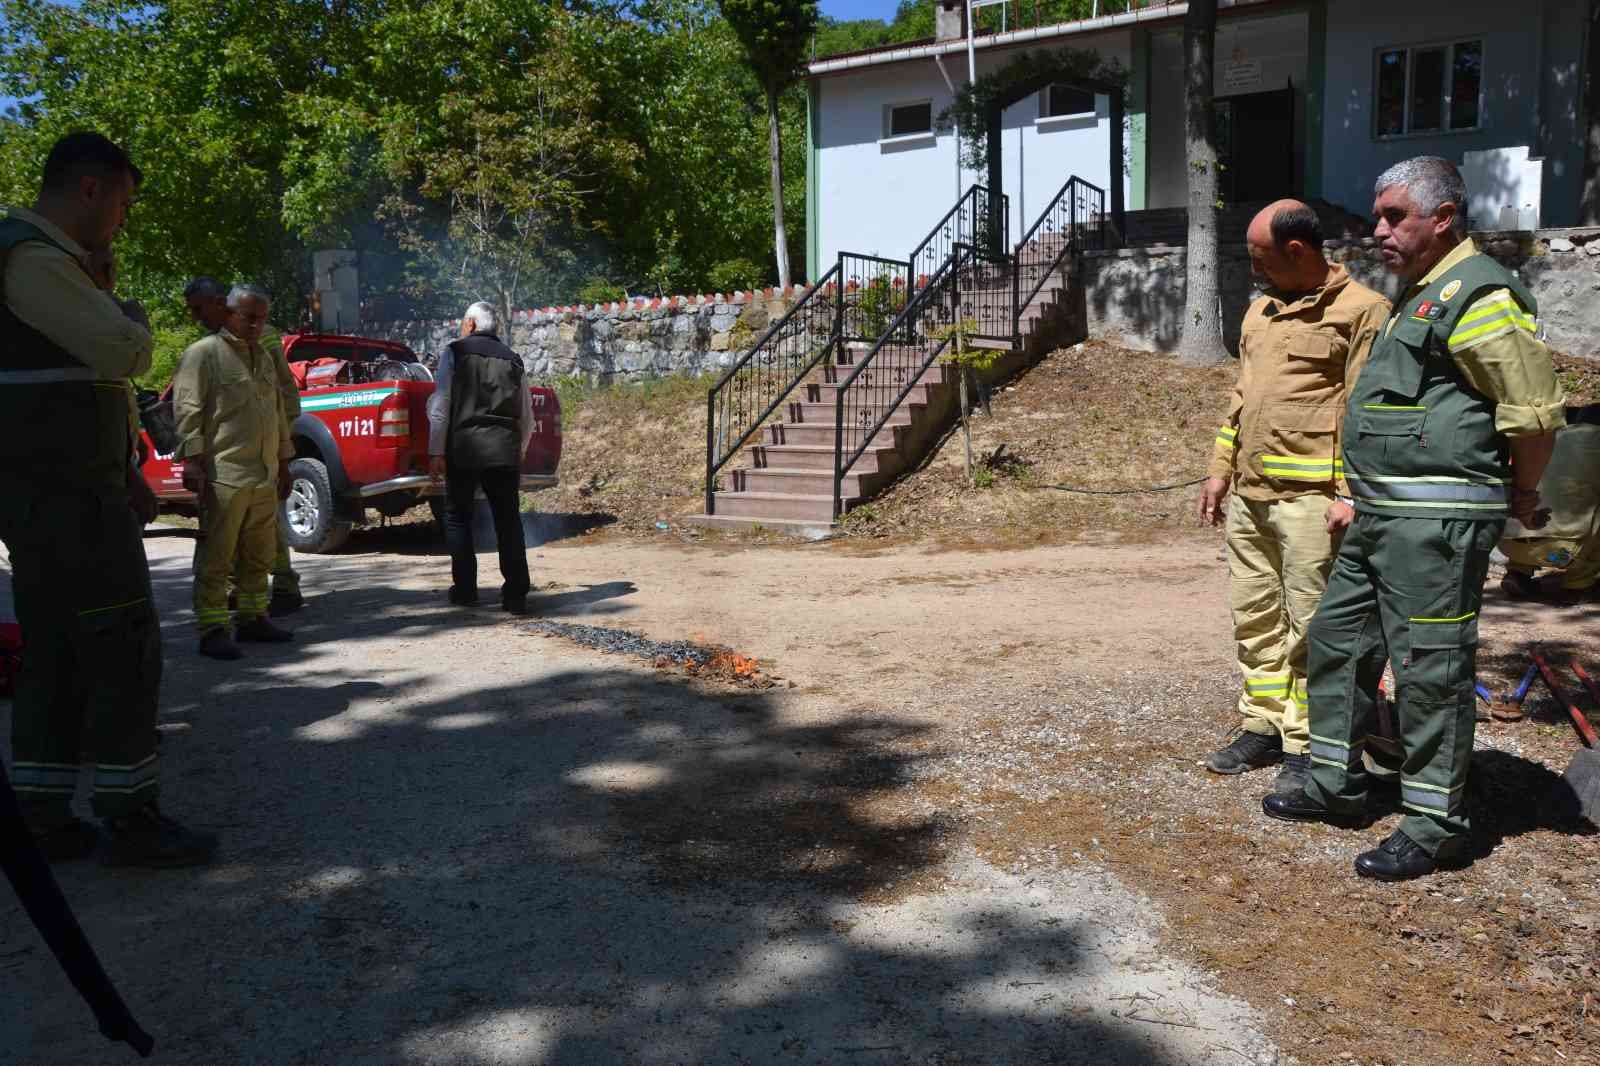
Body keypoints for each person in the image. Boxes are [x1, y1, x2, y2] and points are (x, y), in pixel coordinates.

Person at [1264, 157, 1567, 881]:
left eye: (1395, 216)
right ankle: (1337, 785)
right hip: (1380, 518)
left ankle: (1437, 823)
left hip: (1436, 526)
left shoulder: (1480, 294)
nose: (1379, 230)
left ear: (1443, 217)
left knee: (1429, 672)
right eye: (1379, 216)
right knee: (1336, 639)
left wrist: (1521, 496)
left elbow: (1532, 411)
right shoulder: (1423, 293)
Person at [0, 130, 216, 866]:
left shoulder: (44, 262)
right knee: (122, 644)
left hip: (61, 492)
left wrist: (127, 464)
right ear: (89, 190)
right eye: (121, 204)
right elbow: (124, 354)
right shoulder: (33, 261)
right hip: (65, 500)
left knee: (56, 651)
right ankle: (132, 816)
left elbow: (84, 386)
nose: (122, 220)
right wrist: (129, 316)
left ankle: (43, 813)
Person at [1199, 200, 1390, 796]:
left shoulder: (1363, 312)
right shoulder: (1260, 313)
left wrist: (1350, 491)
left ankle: (1310, 741)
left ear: (1298, 251)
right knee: (1254, 615)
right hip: (1251, 496)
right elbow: (1241, 398)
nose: (1254, 270)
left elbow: (1365, 413)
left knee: (1314, 625)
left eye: (1261, 258)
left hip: (1314, 503)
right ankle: (1264, 725)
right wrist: (1219, 468)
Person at [173, 283, 296, 659]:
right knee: (218, 556)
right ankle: (212, 629)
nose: (258, 325)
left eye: (263, 318)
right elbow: (188, 410)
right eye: (249, 317)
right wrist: (193, 461)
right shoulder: (203, 354)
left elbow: (276, 412)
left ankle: (252, 617)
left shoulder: (263, 355)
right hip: (224, 475)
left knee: (259, 553)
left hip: (263, 474)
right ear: (228, 312)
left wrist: (285, 462)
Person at [428, 301, 533, 614]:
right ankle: (515, 595)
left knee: (459, 517)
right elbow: (526, 414)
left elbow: (441, 404)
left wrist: (435, 450)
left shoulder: (455, 352)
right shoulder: (514, 359)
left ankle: (465, 590)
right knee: (508, 521)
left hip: (464, 449)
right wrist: (520, 451)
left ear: (471, 325)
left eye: (464, 324)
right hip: (503, 451)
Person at [1498, 408, 1600, 604]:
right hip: (1564, 552)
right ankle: (1578, 585)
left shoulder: (1549, 438)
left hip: (1508, 544)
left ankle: (1518, 572)